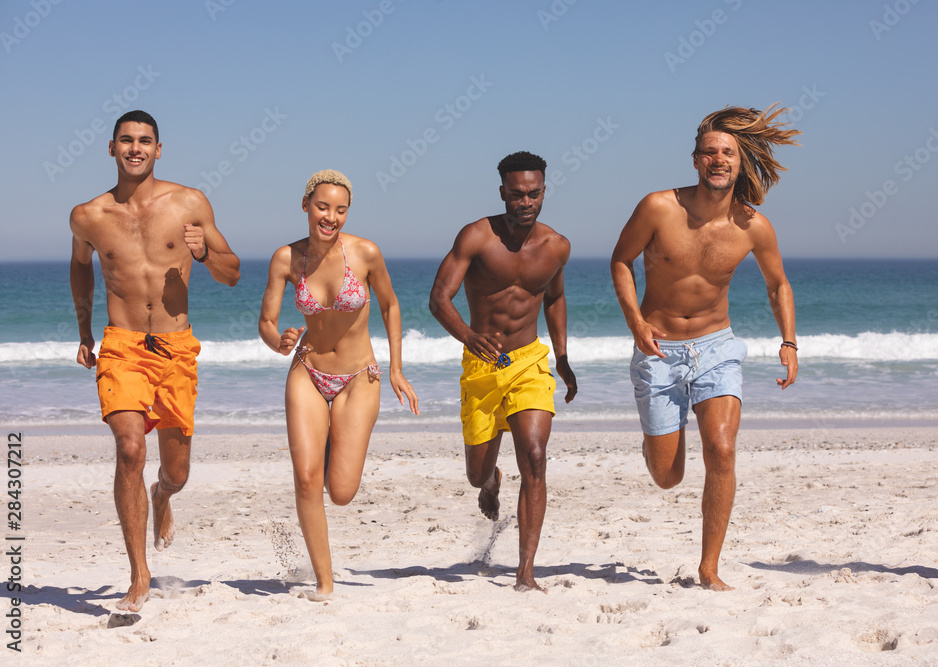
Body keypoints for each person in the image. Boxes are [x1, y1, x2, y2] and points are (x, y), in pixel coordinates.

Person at [610, 106, 800, 591]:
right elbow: (620, 260)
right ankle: (659, 441)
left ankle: (709, 568)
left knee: (721, 450)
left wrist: (789, 342)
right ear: (696, 161)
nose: (719, 160)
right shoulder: (658, 207)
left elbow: (778, 285)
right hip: (659, 349)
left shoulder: (754, 226)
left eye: (728, 153)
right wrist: (635, 321)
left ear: (741, 162)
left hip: (717, 347)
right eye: (710, 152)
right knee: (668, 476)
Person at [69, 110, 240, 611]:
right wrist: (83, 330)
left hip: (175, 348)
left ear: (159, 149)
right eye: (127, 140)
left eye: (145, 141)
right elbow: (81, 268)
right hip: (122, 345)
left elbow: (232, 273)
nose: (136, 148)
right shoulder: (88, 216)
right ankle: (139, 576)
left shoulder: (189, 202)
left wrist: (205, 253)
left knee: (177, 473)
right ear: (111, 148)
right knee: (128, 449)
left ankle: (162, 496)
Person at [259, 169, 418, 599]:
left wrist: (397, 368)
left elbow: (390, 305)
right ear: (306, 206)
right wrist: (280, 342)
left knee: (342, 491)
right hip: (308, 370)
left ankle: (330, 440)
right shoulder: (285, 259)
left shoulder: (365, 253)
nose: (331, 217)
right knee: (308, 480)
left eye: (340, 209)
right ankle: (324, 583)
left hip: (358, 378)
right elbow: (267, 323)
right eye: (323, 207)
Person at [429, 151, 578, 592]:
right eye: (516, 195)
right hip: (482, 365)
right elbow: (439, 298)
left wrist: (563, 358)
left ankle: (525, 572)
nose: (525, 202)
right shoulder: (476, 237)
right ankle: (490, 481)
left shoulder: (556, 247)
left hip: (530, 361)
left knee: (534, 458)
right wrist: (469, 337)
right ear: (502, 193)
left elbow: (554, 298)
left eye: (533, 193)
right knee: (477, 471)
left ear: (544, 191)